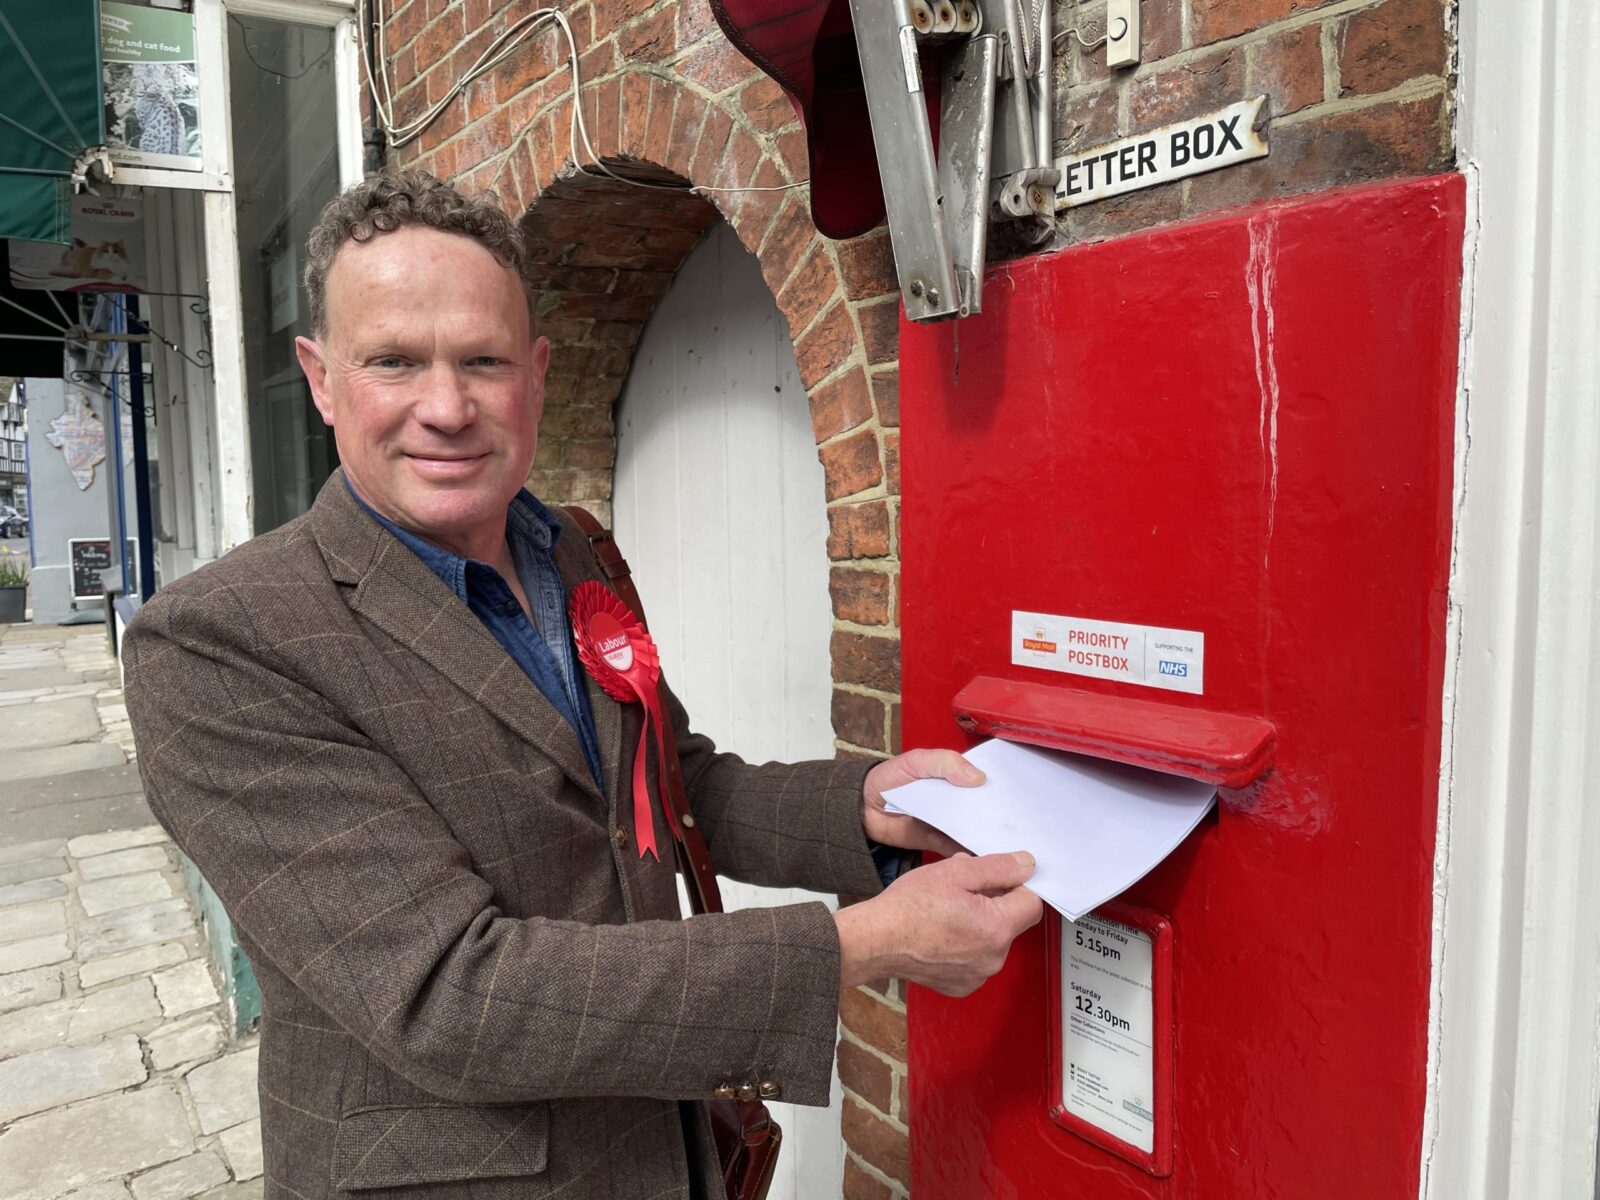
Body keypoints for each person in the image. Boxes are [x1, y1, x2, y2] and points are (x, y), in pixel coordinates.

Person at [123, 170, 1042, 1200]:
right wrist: (857, 946)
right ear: (323, 378)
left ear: (538, 373)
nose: (446, 406)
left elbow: (666, 788)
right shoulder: (219, 643)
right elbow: (447, 994)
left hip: (656, 1148)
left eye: (483, 360)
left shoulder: (567, 546)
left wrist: (869, 814)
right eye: (393, 362)